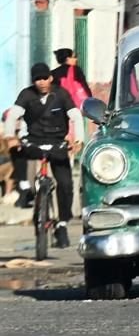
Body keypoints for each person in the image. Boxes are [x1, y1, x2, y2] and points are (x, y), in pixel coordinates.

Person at [4, 63, 85, 248]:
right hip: (34, 141)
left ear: (50, 78)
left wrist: (78, 140)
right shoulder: (27, 94)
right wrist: (10, 137)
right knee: (16, 150)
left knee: (65, 184)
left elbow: (76, 116)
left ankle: (62, 224)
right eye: (37, 79)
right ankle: (24, 188)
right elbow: (13, 115)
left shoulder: (61, 94)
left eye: (44, 78)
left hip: (57, 142)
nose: (41, 82)